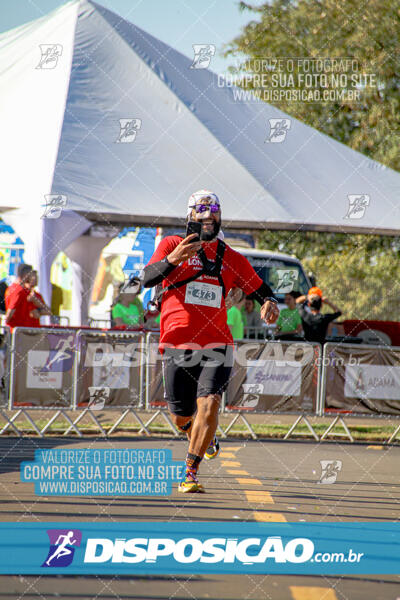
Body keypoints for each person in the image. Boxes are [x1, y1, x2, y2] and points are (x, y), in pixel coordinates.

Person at [143, 189, 279, 493]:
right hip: (177, 344)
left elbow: (260, 289)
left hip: (216, 343)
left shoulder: (231, 258)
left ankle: (190, 471)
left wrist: (268, 302)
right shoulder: (171, 244)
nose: (209, 218)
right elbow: (146, 278)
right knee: (180, 417)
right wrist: (172, 260)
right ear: (191, 215)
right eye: (202, 213)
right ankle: (203, 436)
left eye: (214, 213)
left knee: (210, 404)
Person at [4, 263, 33, 330]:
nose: (31, 277)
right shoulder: (19, 290)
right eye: (30, 274)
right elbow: (10, 311)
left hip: (16, 330)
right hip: (18, 331)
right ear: (25, 274)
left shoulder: (11, 288)